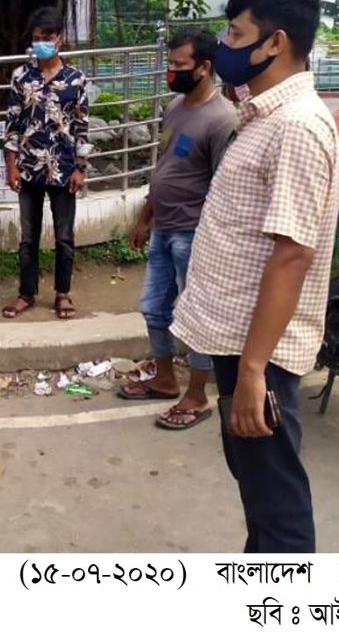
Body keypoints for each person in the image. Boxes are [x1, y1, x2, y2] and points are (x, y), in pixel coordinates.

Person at [171, 0, 339, 553]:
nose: (224, 45)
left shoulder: (296, 126)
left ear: (275, 42)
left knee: (277, 507)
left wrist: (252, 372)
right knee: (259, 492)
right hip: (239, 341)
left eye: (235, 33)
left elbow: (293, 255)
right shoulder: (263, 115)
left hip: (259, 352)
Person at [118, 28, 237, 432]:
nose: (171, 71)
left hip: (194, 234)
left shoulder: (222, 119)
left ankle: (197, 395)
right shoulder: (174, 107)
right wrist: (145, 217)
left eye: (178, 64)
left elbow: (223, 187)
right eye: (169, 63)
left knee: (196, 317)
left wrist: (211, 239)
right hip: (164, 228)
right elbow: (165, 167)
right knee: (154, 307)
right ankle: (165, 379)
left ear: (204, 68)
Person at [1, 6, 89, 321]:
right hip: (28, 169)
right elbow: (12, 125)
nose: (41, 43)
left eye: (47, 38)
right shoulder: (21, 77)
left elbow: (81, 127)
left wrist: (80, 168)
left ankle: (62, 293)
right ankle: (26, 293)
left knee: (64, 237)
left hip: (64, 169)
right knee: (28, 237)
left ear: (59, 39)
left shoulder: (76, 80)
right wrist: (11, 165)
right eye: (37, 38)